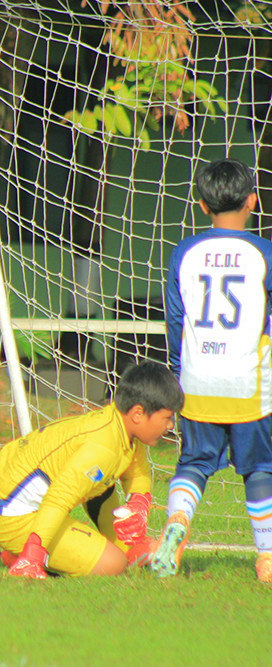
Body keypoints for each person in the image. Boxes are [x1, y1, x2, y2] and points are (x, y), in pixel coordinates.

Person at [159, 157, 272, 581]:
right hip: (249, 385)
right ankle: (266, 558)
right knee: (260, 468)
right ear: (253, 201)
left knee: (193, 463)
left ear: (202, 207)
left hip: (196, 380)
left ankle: (176, 526)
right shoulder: (264, 253)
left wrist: (176, 372)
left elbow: (174, 319)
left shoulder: (185, 252)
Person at [0, 361, 184, 578]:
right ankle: (23, 555)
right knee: (113, 564)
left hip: (0, 482)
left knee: (107, 494)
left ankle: (128, 548)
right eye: (167, 418)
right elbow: (58, 499)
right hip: (6, 510)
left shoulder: (120, 425)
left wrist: (139, 503)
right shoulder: (100, 449)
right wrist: (33, 555)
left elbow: (137, 471)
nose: (170, 426)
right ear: (138, 414)